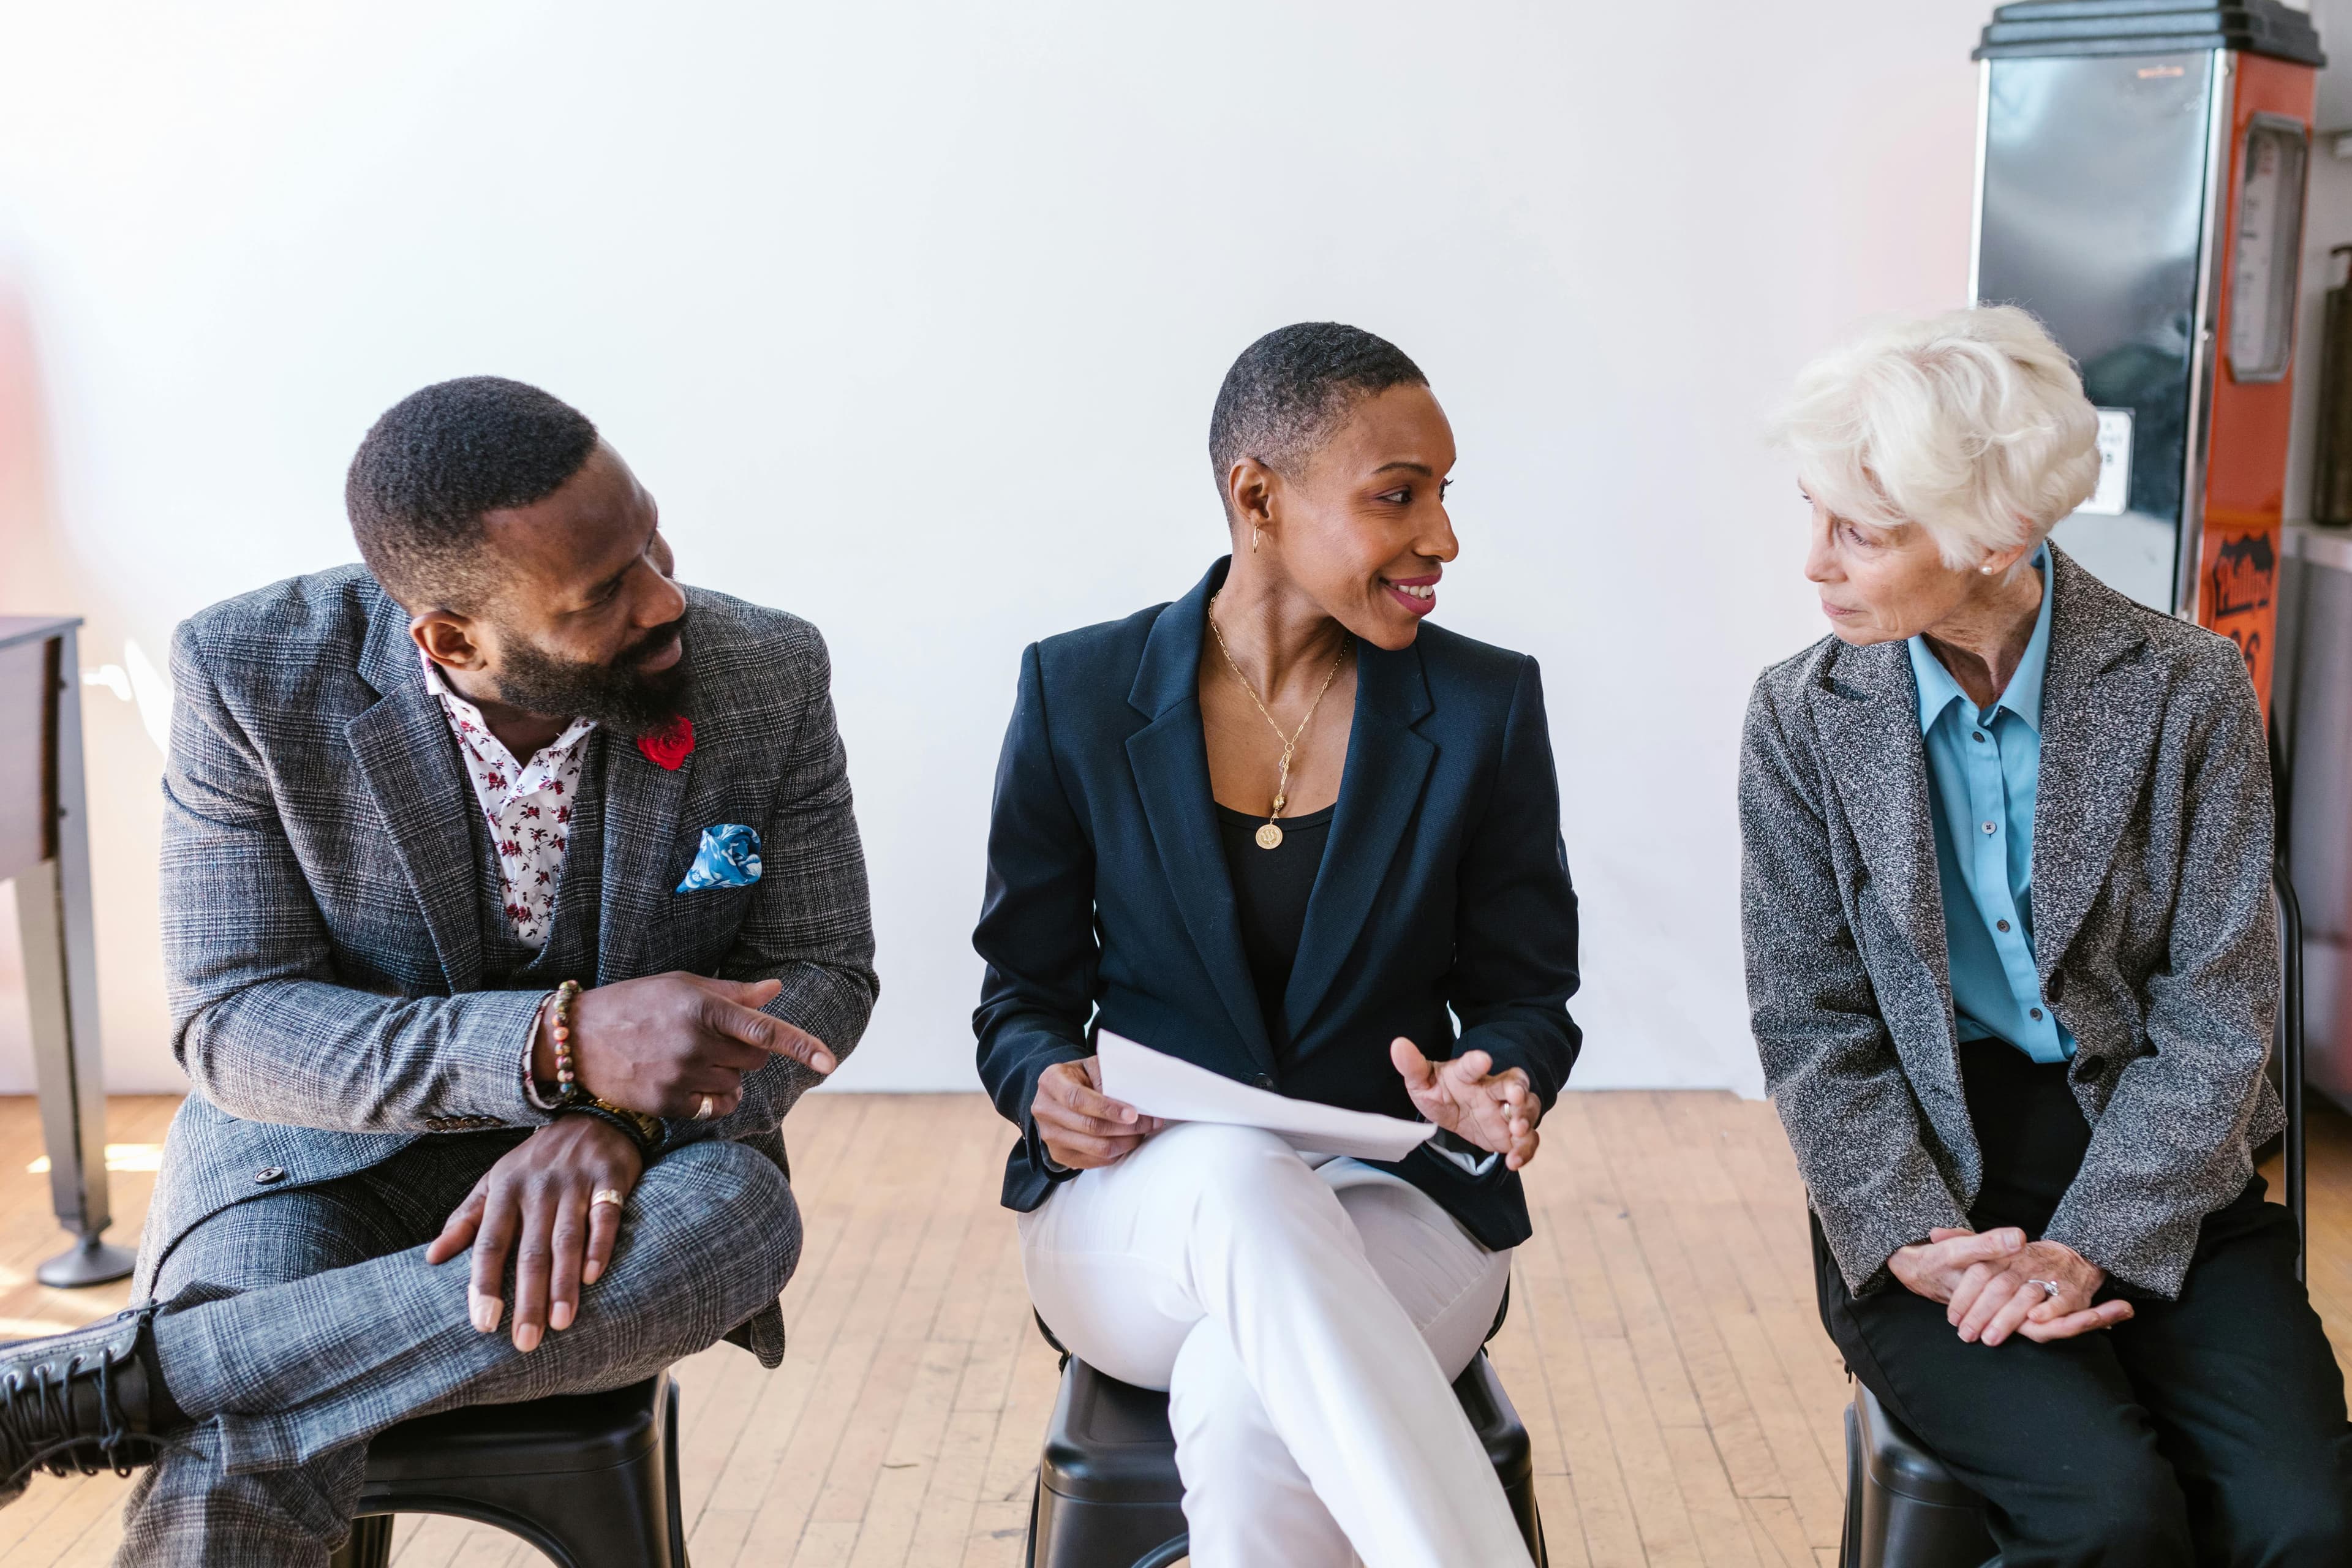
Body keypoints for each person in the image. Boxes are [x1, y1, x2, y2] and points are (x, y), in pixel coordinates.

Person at [0, 377, 877, 1564]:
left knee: (733, 1222)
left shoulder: (766, 670)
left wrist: (613, 1114)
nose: (665, 596)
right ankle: (194, 1367)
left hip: (647, 1175)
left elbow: (821, 962)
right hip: (301, 1164)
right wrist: (553, 1046)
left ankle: (96, 1382)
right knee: (244, 1432)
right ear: (451, 637)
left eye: (652, 541)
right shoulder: (250, 671)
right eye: (604, 590)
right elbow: (235, 1018)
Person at [1741, 306, 2352, 1565]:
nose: (1816, 562)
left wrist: (2092, 1242)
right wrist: (1915, 1234)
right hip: (1927, 1178)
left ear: (1995, 536)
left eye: (1860, 528)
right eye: (1816, 515)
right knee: (2110, 1512)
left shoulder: (2189, 688)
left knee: (2307, 1518)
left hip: (2165, 1152)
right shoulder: (1800, 718)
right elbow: (1811, 1020)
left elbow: (2219, 1014)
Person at [974, 322, 1580, 1567]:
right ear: (1257, 495)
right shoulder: (1077, 692)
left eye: (1443, 495)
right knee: (1240, 1176)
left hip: (1397, 1208)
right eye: (1396, 497)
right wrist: (1046, 1086)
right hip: (1137, 1213)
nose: (1442, 539)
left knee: (1247, 1398)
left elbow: (1527, 992)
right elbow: (1021, 996)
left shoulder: (1483, 707)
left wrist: (1500, 1077)